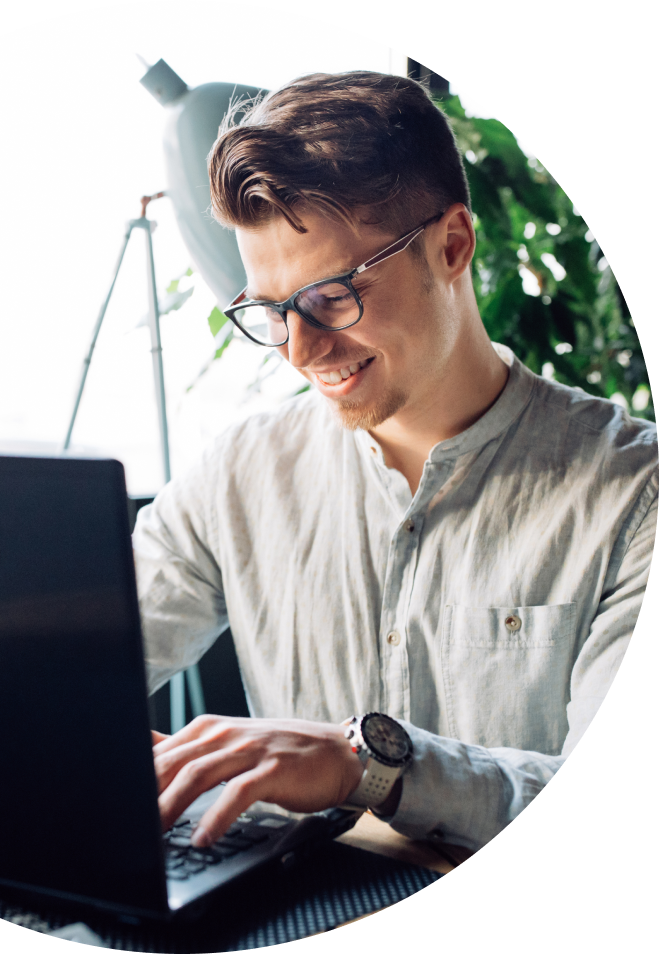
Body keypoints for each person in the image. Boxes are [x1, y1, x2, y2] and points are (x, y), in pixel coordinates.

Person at [131, 71, 656, 853]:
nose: (302, 351)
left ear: (451, 246)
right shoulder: (236, 476)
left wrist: (366, 768)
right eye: (271, 311)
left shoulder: (633, 494)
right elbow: (71, 675)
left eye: (332, 295)